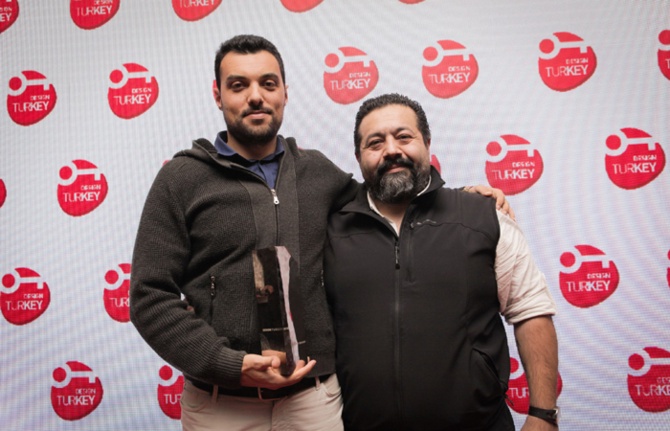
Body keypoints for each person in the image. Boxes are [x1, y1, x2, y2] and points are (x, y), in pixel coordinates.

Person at [129, 35, 511, 431]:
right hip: (221, 403)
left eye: (268, 83)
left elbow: (387, 194)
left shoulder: (318, 172)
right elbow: (148, 297)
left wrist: (457, 198)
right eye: (239, 85)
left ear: (285, 93)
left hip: (313, 401)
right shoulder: (181, 179)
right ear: (218, 94)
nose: (256, 96)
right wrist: (229, 364)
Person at [324, 93, 559, 431]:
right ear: (358, 157)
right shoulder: (331, 231)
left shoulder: (482, 216)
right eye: (375, 143)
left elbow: (531, 310)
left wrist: (543, 414)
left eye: (404, 137)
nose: (391, 150)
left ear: (427, 143)